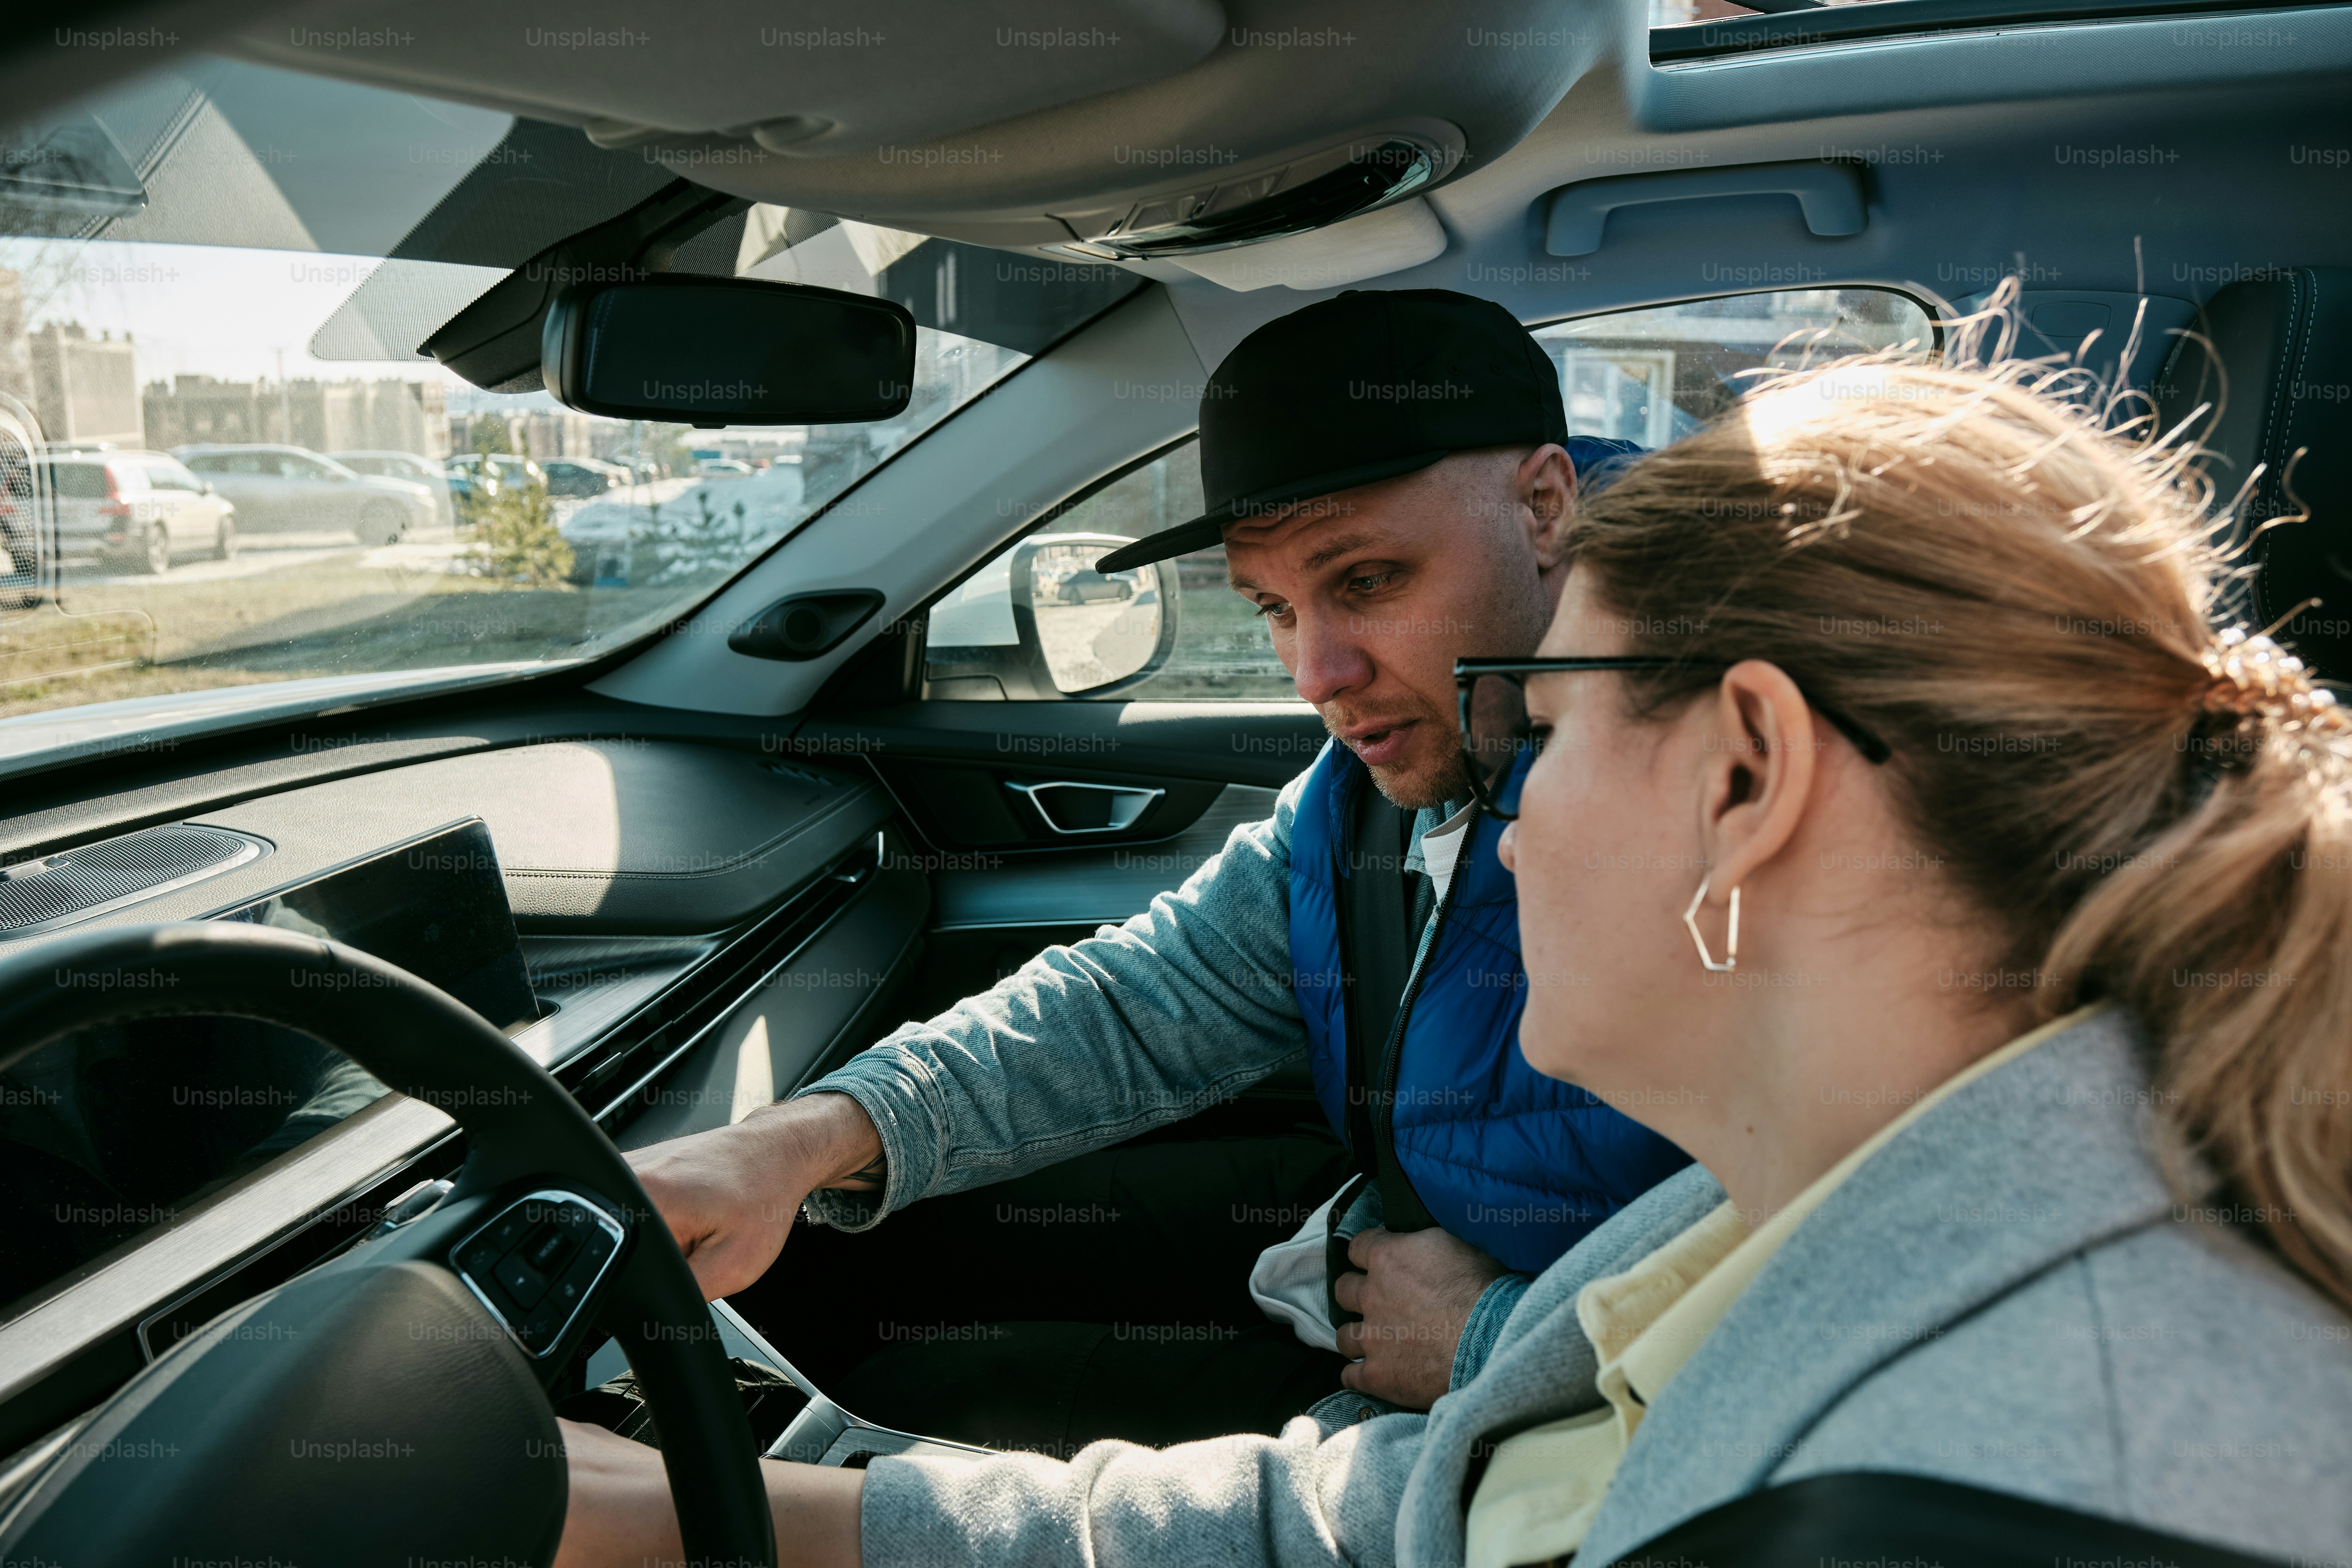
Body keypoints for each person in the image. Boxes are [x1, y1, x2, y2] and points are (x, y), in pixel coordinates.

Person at [558, 349, 2352, 1568]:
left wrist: (1484, 1332)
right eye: (1274, 614)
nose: (1523, 823)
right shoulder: (1793, 1205)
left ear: (1749, 774)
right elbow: (1395, 1514)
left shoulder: (2028, 1479)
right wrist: (743, 1499)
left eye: (1556, 741)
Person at [627, 289, 1691, 1453]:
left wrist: (1499, 1339)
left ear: (1542, 506)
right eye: (1274, 608)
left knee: (933, 1407)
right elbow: (1145, 1003)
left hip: (1534, 1434)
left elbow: (1837, 1276)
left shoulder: (1721, 799)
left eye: (1370, 581)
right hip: (1392, 1256)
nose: (1317, 673)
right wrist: (799, 1140)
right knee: (876, 1277)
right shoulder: (1373, 789)